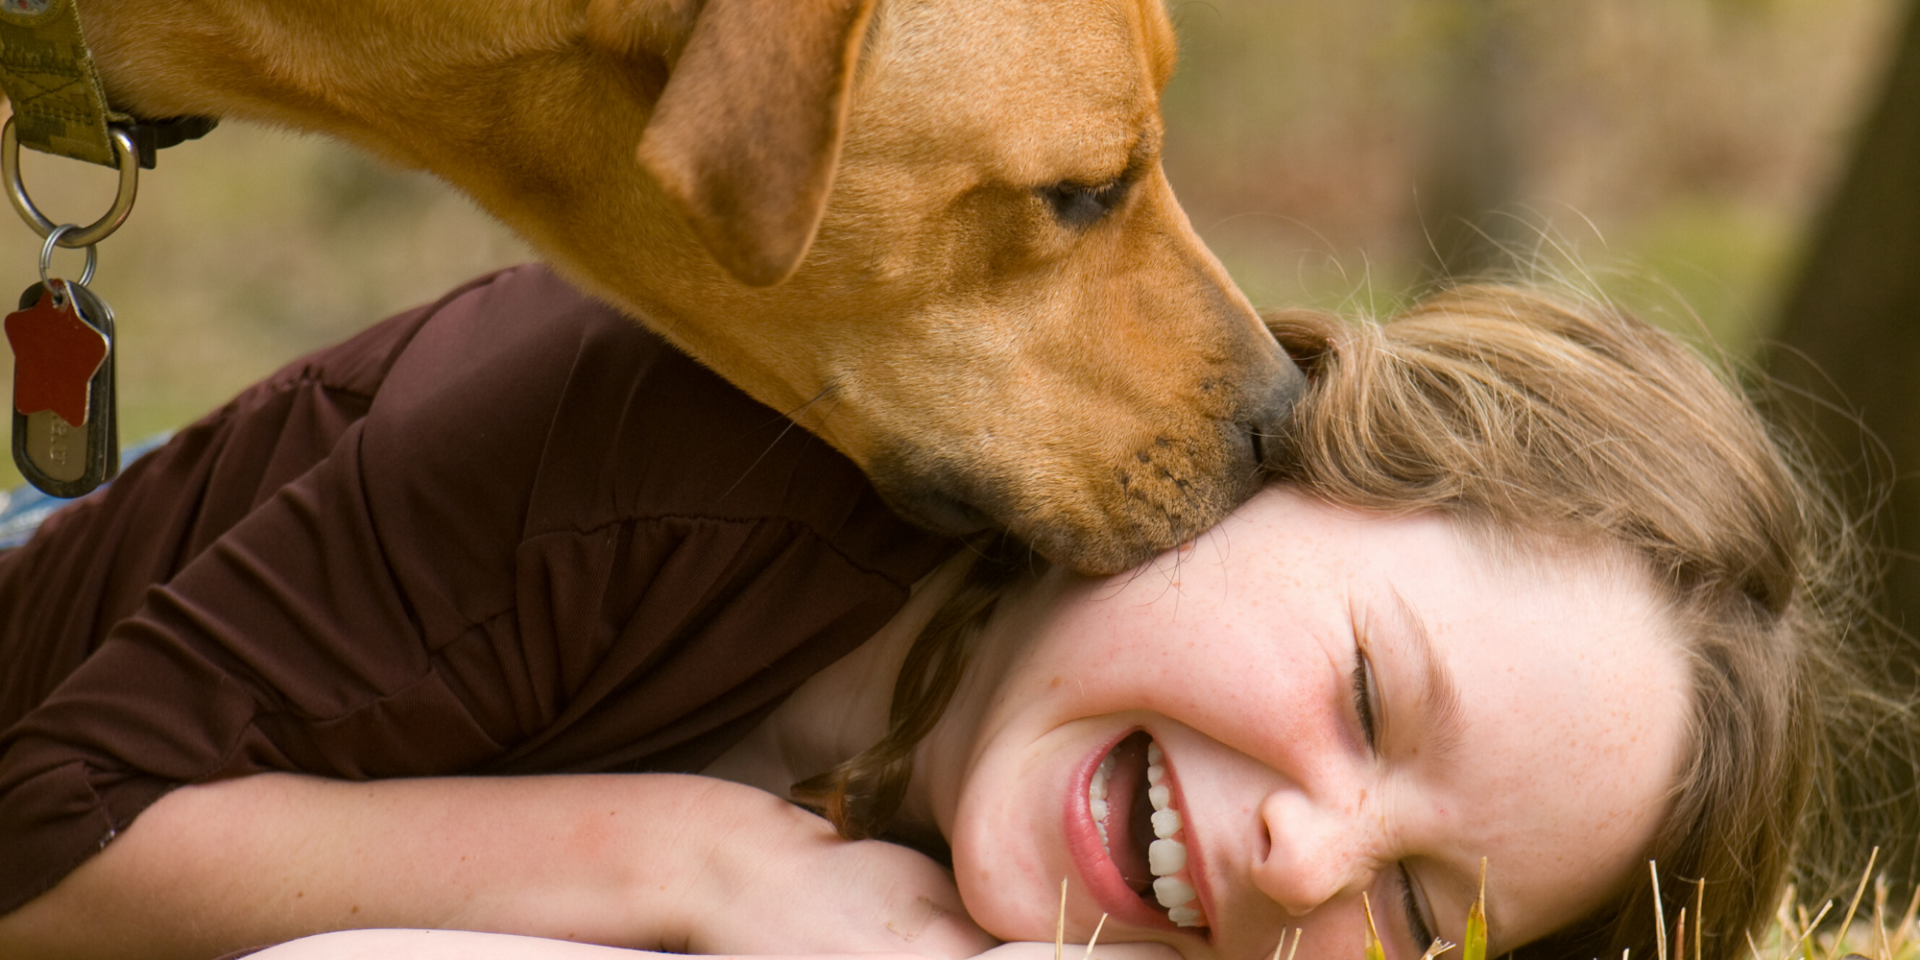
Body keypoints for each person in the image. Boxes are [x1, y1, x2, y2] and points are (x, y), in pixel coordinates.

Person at [0, 264, 1890, 960]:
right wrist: (702, 870)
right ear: (1296, 449)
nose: (1313, 861)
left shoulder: (1119, 841)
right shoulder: (672, 422)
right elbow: (43, 850)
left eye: (1419, 917)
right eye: (1377, 703)